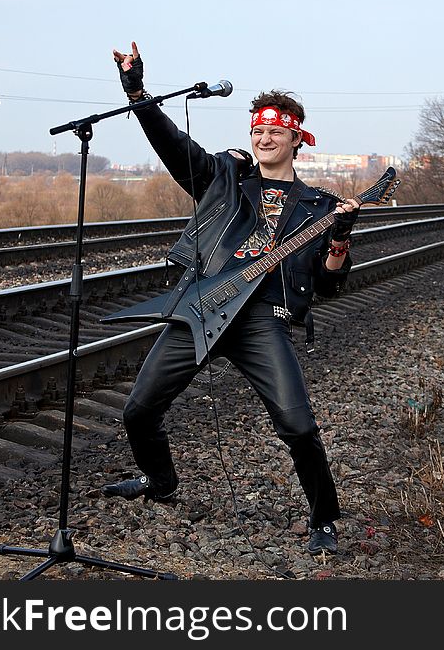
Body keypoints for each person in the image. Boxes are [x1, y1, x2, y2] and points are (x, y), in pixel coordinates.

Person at [100, 42, 360, 555]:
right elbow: (172, 144)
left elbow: (331, 282)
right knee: (139, 410)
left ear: (297, 139)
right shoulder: (223, 181)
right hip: (203, 308)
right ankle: (161, 482)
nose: (264, 138)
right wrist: (137, 91)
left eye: (275, 131)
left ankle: (324, 518)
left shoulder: (320, 206)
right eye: (258, 130)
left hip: (264, 320)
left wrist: (339, 240)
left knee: (296, 424)